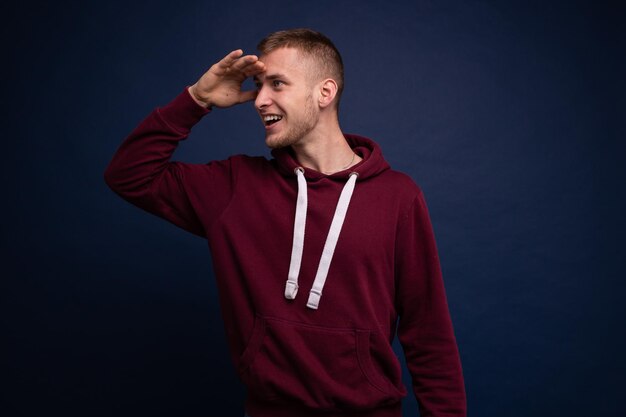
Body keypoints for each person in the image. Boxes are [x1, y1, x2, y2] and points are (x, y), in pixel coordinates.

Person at [105, 28, 466, 417]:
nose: (259, 100)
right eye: (258, 85)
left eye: (277, 84)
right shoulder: (234, 187)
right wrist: (197, 99)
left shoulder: (398, 197)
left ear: (325, 93)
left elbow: (430, 337)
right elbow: (128, 175)